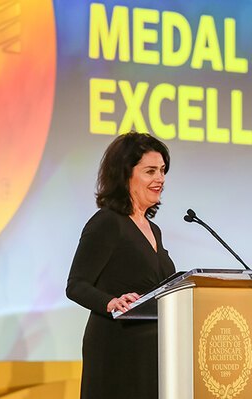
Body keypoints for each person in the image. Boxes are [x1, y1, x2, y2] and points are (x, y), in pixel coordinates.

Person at [66, 132, 176, 399]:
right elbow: (76, 285)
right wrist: (111, 302)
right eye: (150, 171)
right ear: (125, 175)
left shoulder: (154, 230)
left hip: (153, 353)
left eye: (162, 170)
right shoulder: (107, 222)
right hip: (117, 349)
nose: (160, 179)